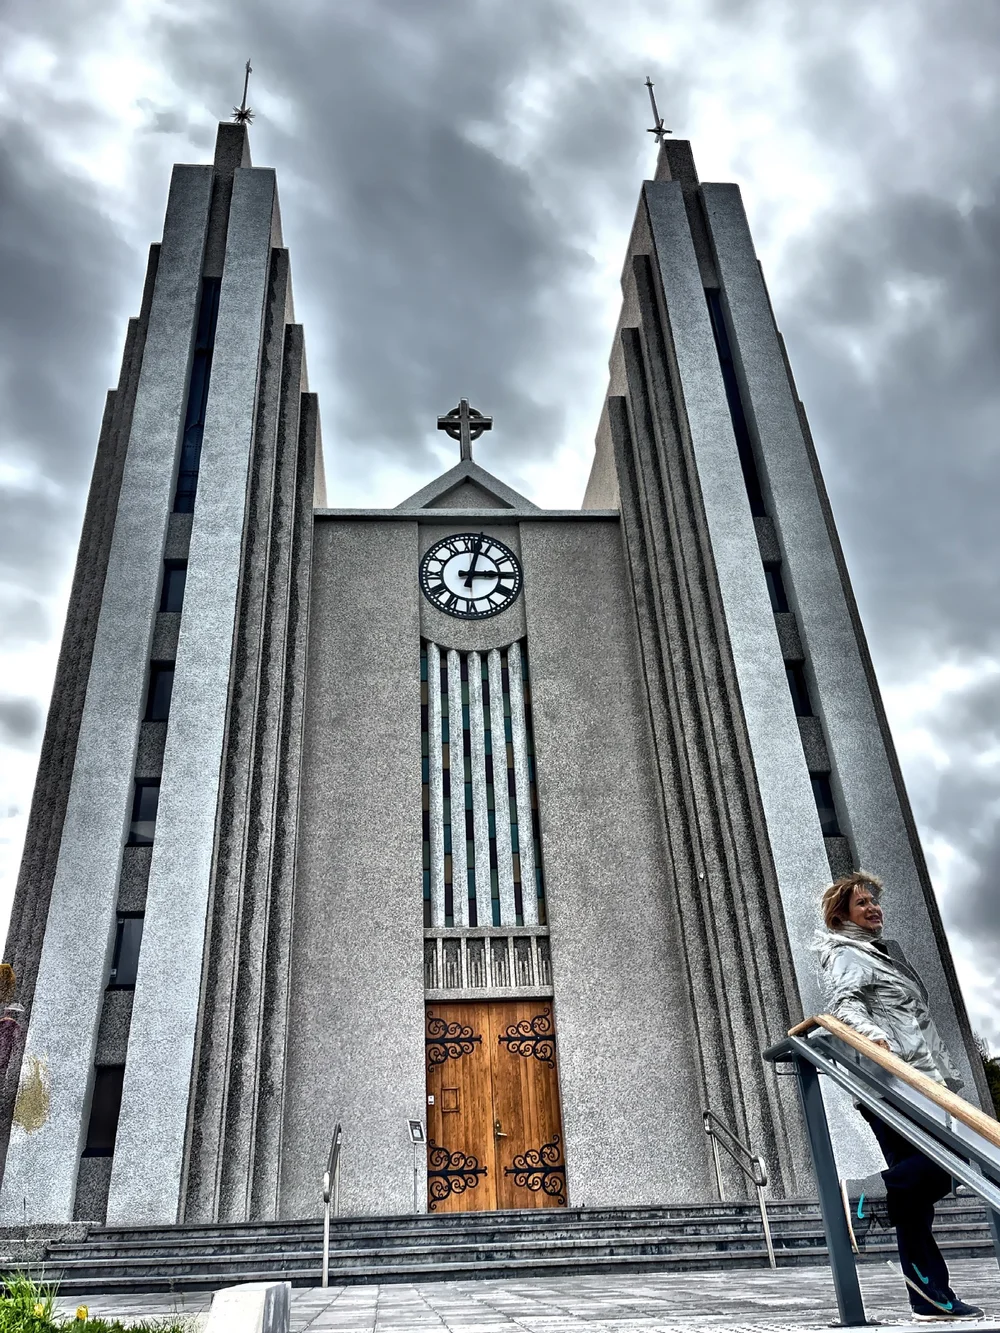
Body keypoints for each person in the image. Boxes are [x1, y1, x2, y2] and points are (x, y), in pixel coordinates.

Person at [814, 871, 985, 1323]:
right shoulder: (845, 953)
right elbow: (843, 1005)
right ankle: (869, 1195)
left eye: (874, 901)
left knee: (917, 1201)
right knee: (950, 1165)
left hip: (921, 1082)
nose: (873, 908)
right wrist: (876, 1041)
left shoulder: (880, 954)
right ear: (841, 916)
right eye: (861, 904)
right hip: (894, 1084)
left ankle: (929, 1298)